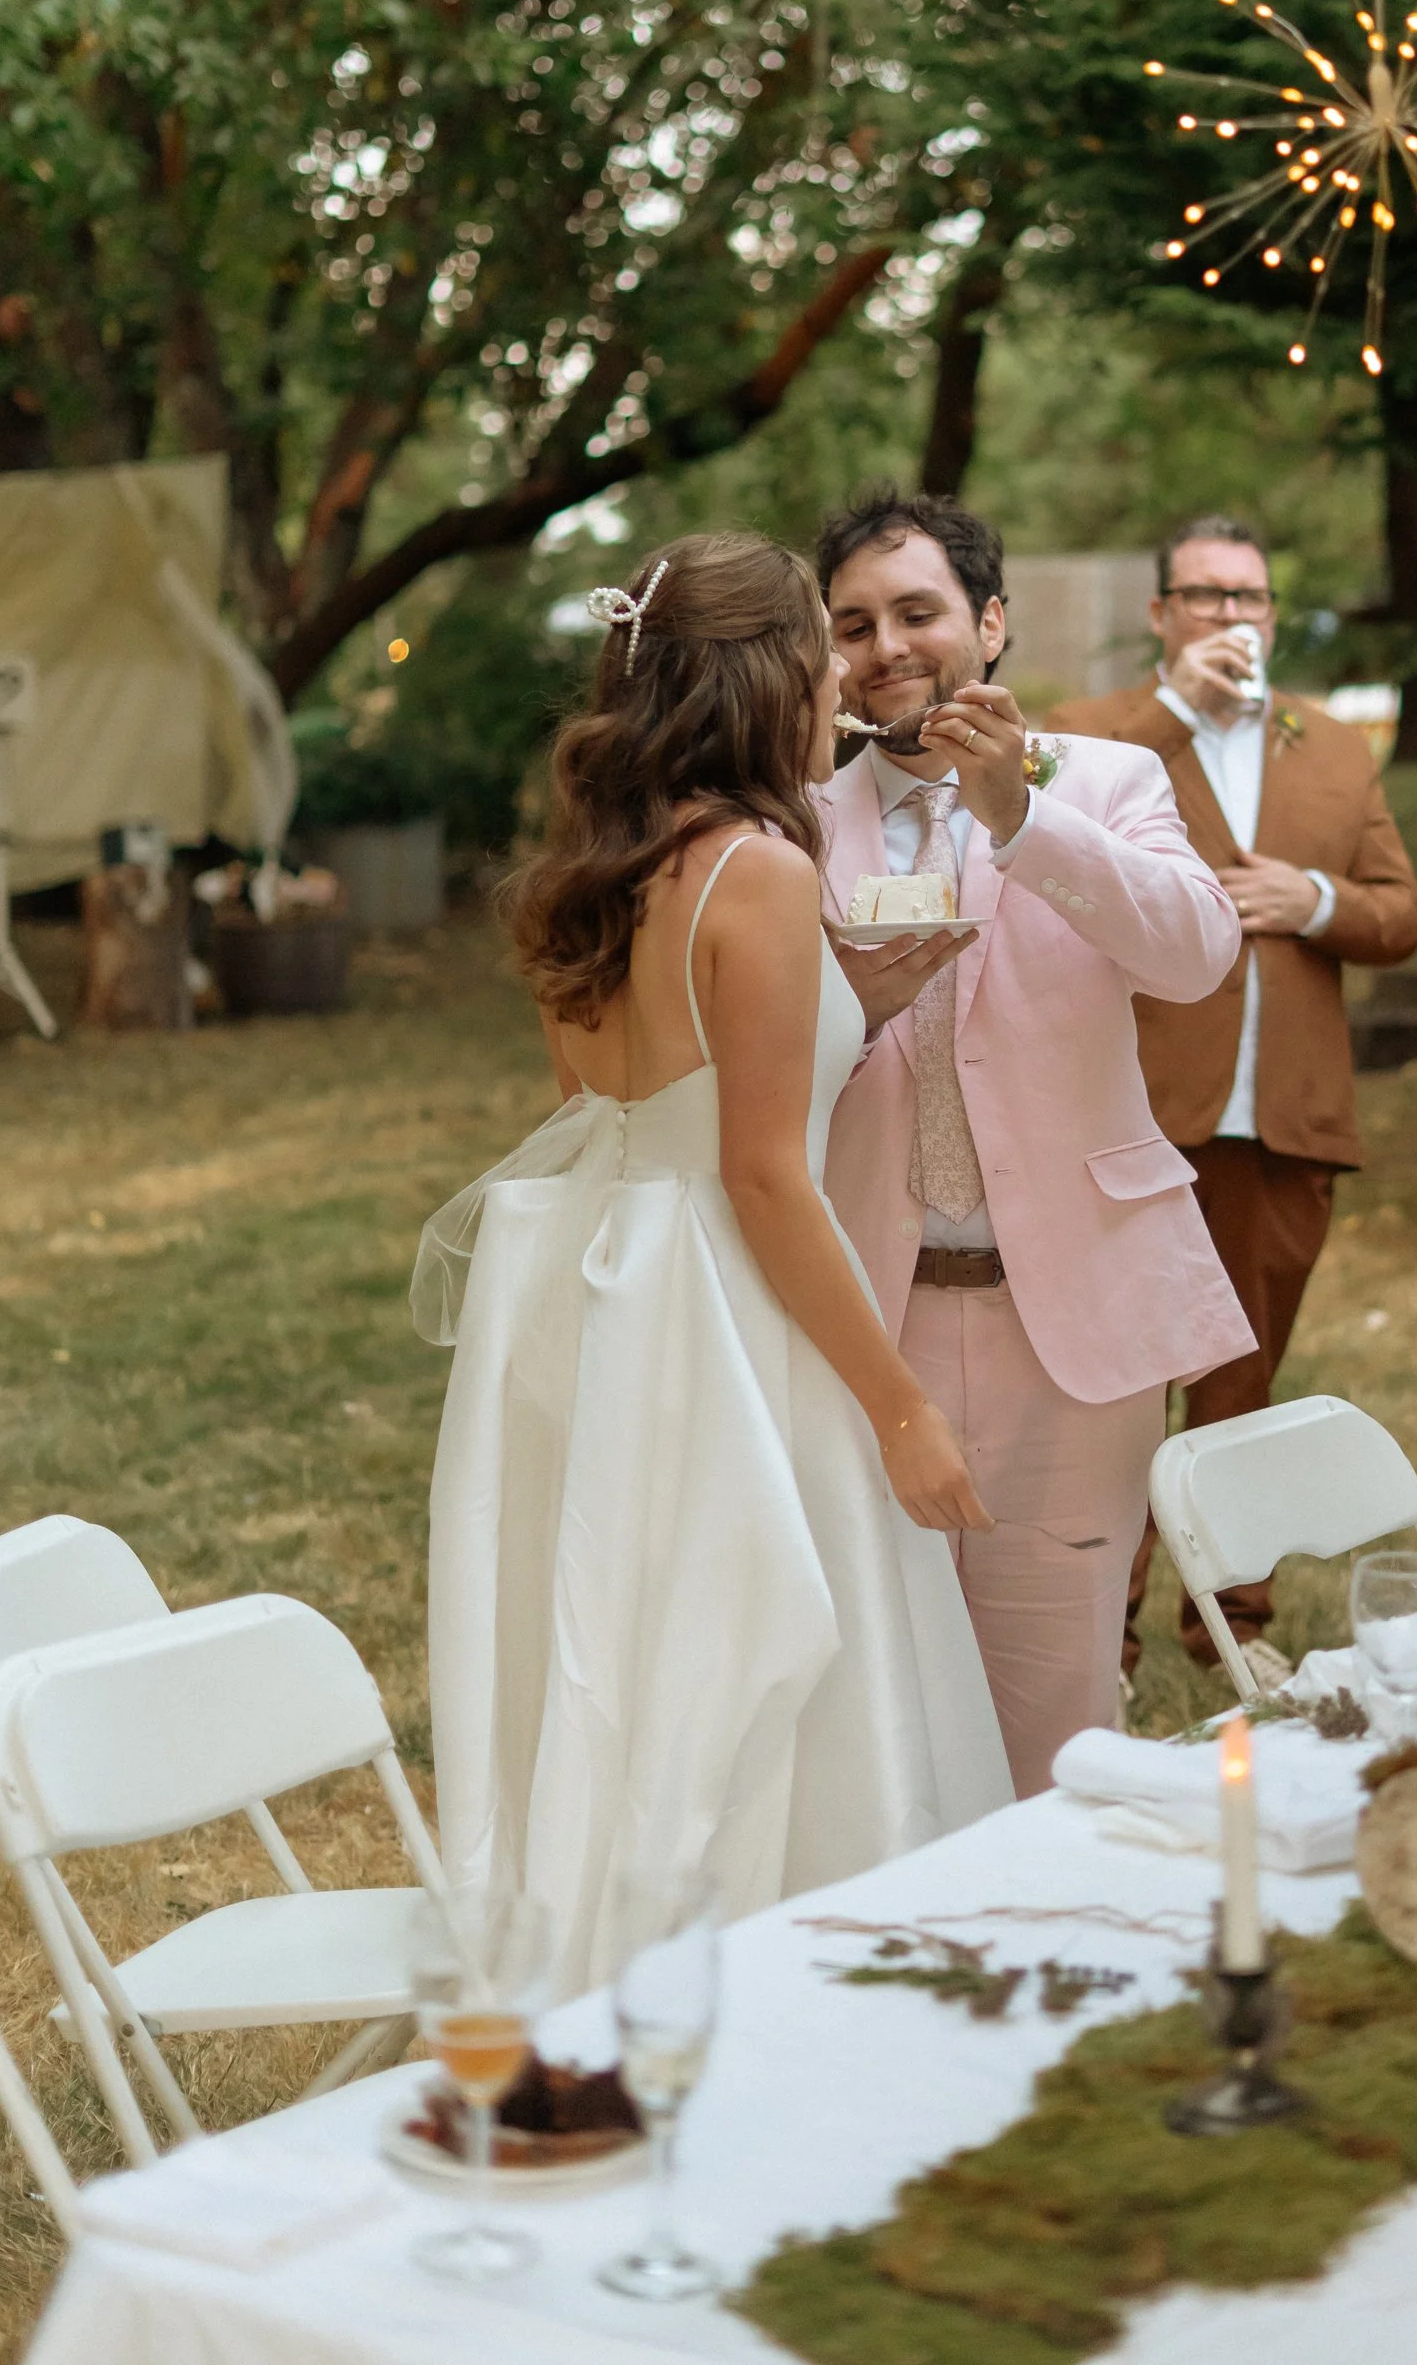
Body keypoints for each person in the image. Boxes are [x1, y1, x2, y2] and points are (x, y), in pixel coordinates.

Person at [415, 531, 1011, 1993]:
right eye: (819, 654)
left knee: (625, 1642)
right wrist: (899, 1407)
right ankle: (786, 1961)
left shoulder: (596, 874)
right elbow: (758, 1172)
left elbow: (611, 1114)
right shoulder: (753, 867)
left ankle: (607, 1953)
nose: (837, 686)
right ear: (765, 680)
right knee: (767, 1644)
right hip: (732, 1320)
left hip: (601, 1301)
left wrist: (841, 1007)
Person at [816, 487, 1251, 1792]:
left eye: (916, 612)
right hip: (864, 1322)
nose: (885, 647)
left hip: (1070, 1321)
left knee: (1056, 1698)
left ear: (989, 624)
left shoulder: (1110, 778)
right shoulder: (796, 817)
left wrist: (1021, 815)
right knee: (881, 1693)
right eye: (851, 624)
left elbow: (1195, 957)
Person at [1048, 515, 1417, 1676]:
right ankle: (1093, 1641)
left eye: (1248, 599)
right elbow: (1049, 839)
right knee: (1117, 1395)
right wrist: (1175, 711)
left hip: (1283, 1120)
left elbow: (1401, 913)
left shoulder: (1328, 747)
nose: (1229, 617)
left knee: (1244, 1388)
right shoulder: (1103, 734)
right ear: (1161, 614)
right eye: (1204, 597)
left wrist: (1310, 898)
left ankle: (1231, 1636)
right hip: (1138, 1116)